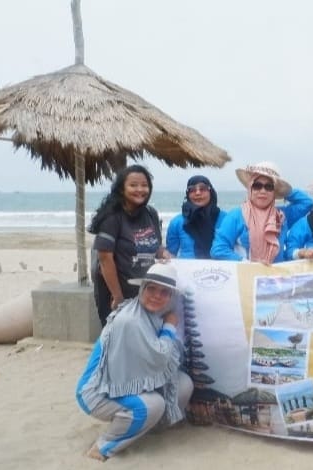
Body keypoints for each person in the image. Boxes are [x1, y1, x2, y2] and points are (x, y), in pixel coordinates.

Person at [76, 263, 193, 461]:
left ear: (171, 297)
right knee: (152, 405)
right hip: (97, 390)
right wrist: (170, 327)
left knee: (183, 384)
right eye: (151, 289)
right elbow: (161, 357)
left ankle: (149, 427)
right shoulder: (131, 321)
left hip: (125, 380)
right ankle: (103, 446)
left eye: (164, 292)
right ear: (142, 289)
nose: (157, 296)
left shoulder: (153, 315)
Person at [88, 164, 170, 326]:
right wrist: (117, 296)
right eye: (133, 185)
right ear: (121, 189)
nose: (140, 189)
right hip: (115, 292)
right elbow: (105, 259)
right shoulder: (112, 217)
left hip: (145, 291)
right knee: (117, 339)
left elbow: (156, 245)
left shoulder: (151, 214)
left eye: (144, 185)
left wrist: (163, 254)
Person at [210, 161, 312, 263]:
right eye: (257, 186)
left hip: (277, 276)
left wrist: (282, 189)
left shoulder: (282, 216)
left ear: (274, 192)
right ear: (250, 188)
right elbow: (218, 249)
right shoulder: (236, 215)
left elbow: (307, 203)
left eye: (269, 187)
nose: (263, 191)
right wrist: (249, 264)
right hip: (246, 275)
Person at [166, 175, 224, 259]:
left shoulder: (226, 219)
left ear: (211, 192)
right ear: (188, 194)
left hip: (219, 270)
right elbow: (170, 255)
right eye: (192, 190)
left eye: (202, 189)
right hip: (187, 270)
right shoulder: (177, 222)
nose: (197, 193)